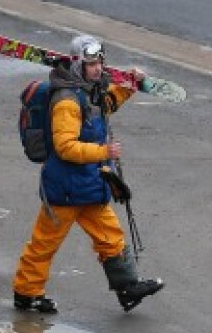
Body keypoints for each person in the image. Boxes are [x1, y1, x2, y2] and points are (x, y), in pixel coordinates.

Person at [12, 35, 163, 313]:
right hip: (65, 189)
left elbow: (106, 106)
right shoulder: (67, 102)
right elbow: (65, 147)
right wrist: (104, 151)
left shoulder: (89, 91)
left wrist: (129, 84)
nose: (98, 68)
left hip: (90, 186)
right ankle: (27, 294)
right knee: (44, 245)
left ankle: (127, 288)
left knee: (111, 237)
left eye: (100, 63)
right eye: (92, 64)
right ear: (79, 65)